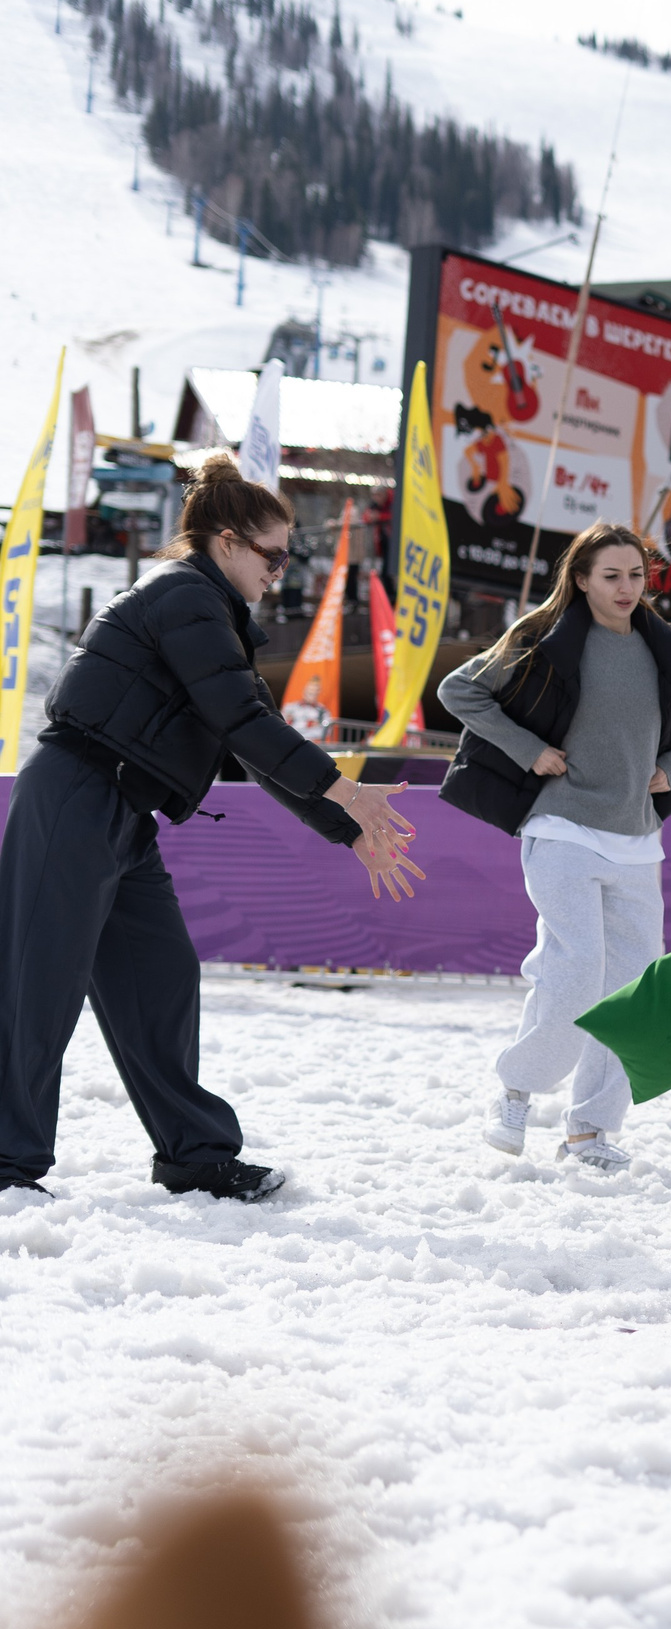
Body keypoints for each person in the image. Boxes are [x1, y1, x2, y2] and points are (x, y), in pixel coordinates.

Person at [0, 454, 421, 1202]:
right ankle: (7, 1163)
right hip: (74, 794)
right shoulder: (185, 596)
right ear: (226, 541)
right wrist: (345, 793)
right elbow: (242, 722)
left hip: (123, 812)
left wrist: (343, 824)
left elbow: (248, 738)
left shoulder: (211, 614)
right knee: (40, 985)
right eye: (274, 553)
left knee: (161, 978)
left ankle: (195, 1154)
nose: (282, 570)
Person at [438, 523, 671, 1171]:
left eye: (637, 575)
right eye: (612, 575)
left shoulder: (669, 648)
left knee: (631, 992)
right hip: (561, 829)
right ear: (580, 578)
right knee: (574, 975)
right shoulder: (542, 639)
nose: (628, 587)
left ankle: (590, 1130)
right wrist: (529, 750)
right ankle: (516, 1088)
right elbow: (458, 689)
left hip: (636, 840)